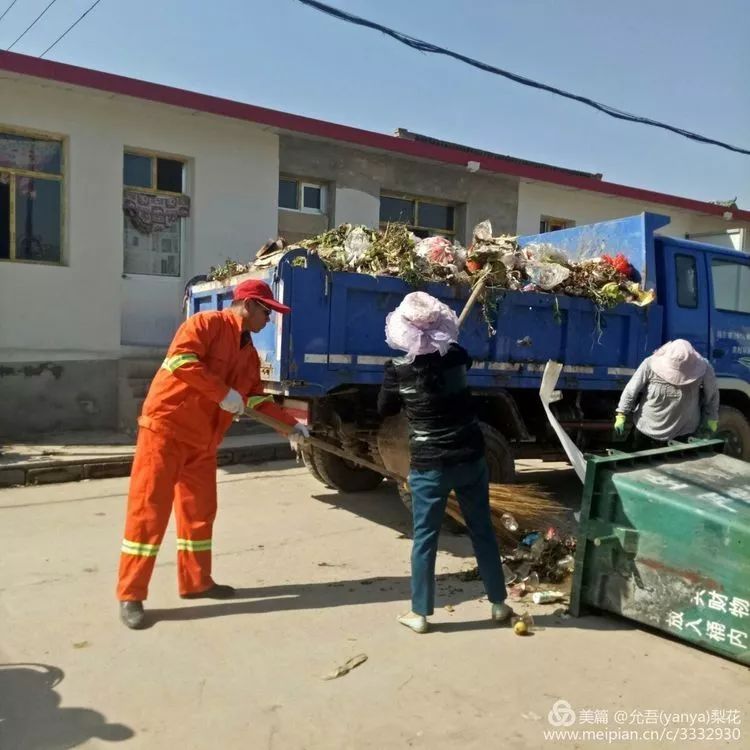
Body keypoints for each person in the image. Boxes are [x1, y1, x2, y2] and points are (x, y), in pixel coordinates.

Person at [117, 279, 309, 629]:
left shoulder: (249, 355)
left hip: (203, 441)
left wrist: (290, 425)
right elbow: (181, 363)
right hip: (166, 430)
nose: (270, 320)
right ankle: (131, 593)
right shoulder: (204, 325)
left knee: (199, 514)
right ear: (249, 305)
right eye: (267, 313)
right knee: (149, 512)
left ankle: (196, 582)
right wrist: (222, 392)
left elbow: (255, 399)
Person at [377, 291, 511, 634]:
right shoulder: (456, 356)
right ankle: (499, 603)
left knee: (425, 538)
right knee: (482, 530)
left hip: (429, 465)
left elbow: (385, 410)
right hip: (470, 457)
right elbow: (458, 364)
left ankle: (420, 614)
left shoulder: (396, 371)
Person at [614, 339, 719, 449]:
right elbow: (631, 390)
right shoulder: (650, 363)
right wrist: (621, 414)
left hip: (683, 433)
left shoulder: (705, 367)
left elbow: (712, 395)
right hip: (647, 430)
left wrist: (712, 417)